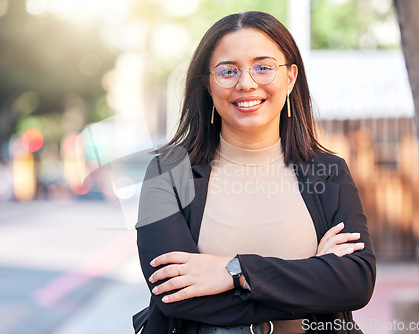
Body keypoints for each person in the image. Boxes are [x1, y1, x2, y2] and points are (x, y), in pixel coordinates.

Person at [133, 11, 375, 334]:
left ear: (289, 78)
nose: (246, 83)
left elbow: (356, 282)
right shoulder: (167, 175)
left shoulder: (329, 173)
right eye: (228, 71)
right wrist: (315, 275)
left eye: (263, 67)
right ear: (208, 84)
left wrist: (234, 271)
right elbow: (174, 295)